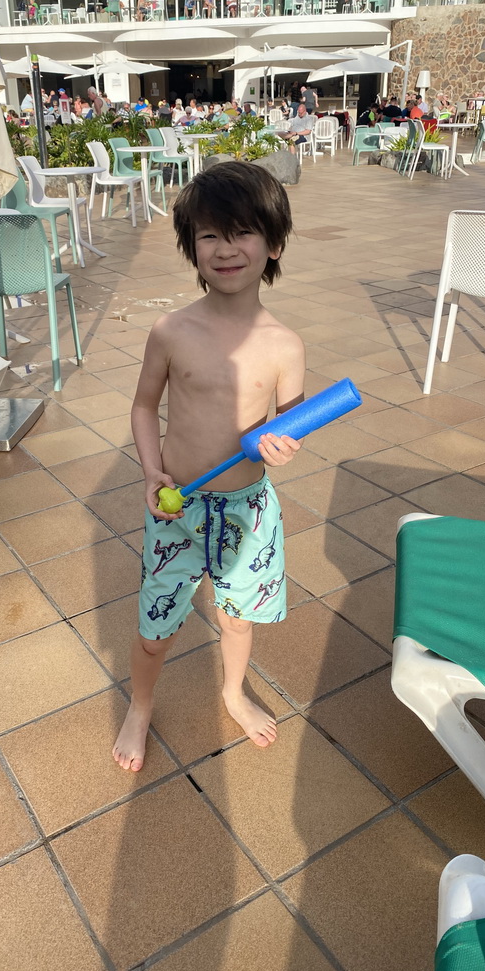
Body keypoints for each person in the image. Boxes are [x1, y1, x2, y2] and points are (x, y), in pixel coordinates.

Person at [112, 161, 304, 772]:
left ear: (273, 244)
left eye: (243, 232)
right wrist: (150, 471)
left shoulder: (284, 345)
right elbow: (144, 407)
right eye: (209, 235)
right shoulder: (172, 331)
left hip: (247, 508)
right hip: (177, 507)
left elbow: (292, 427)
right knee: (155, 625)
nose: (226, 249)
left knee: (237, 618)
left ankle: (231, 690)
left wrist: (284, 445)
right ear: (191, 247)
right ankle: (140, 705)